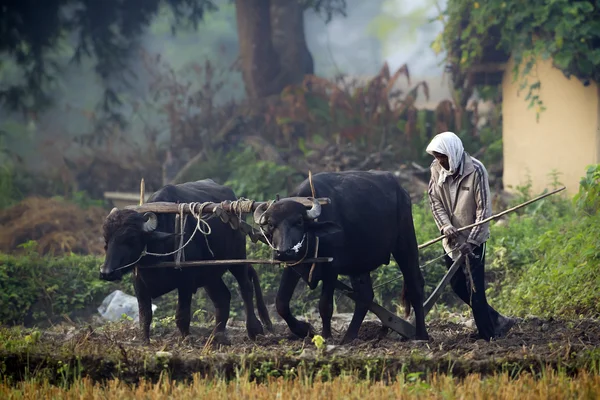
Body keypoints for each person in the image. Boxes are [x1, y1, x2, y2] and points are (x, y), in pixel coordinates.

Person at [425, 131, 516, 341]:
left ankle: (488, 335)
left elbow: (484, 210)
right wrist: (445, 227)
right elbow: (435, 202)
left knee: (475, 289)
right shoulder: (436, 170)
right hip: (451, 239)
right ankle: (498, 320)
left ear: (453, 153)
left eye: (443, 157)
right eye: (437, 157)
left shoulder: (476, 170)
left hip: (474, 238)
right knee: (457, 285)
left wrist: (472, 241)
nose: (440, 161)